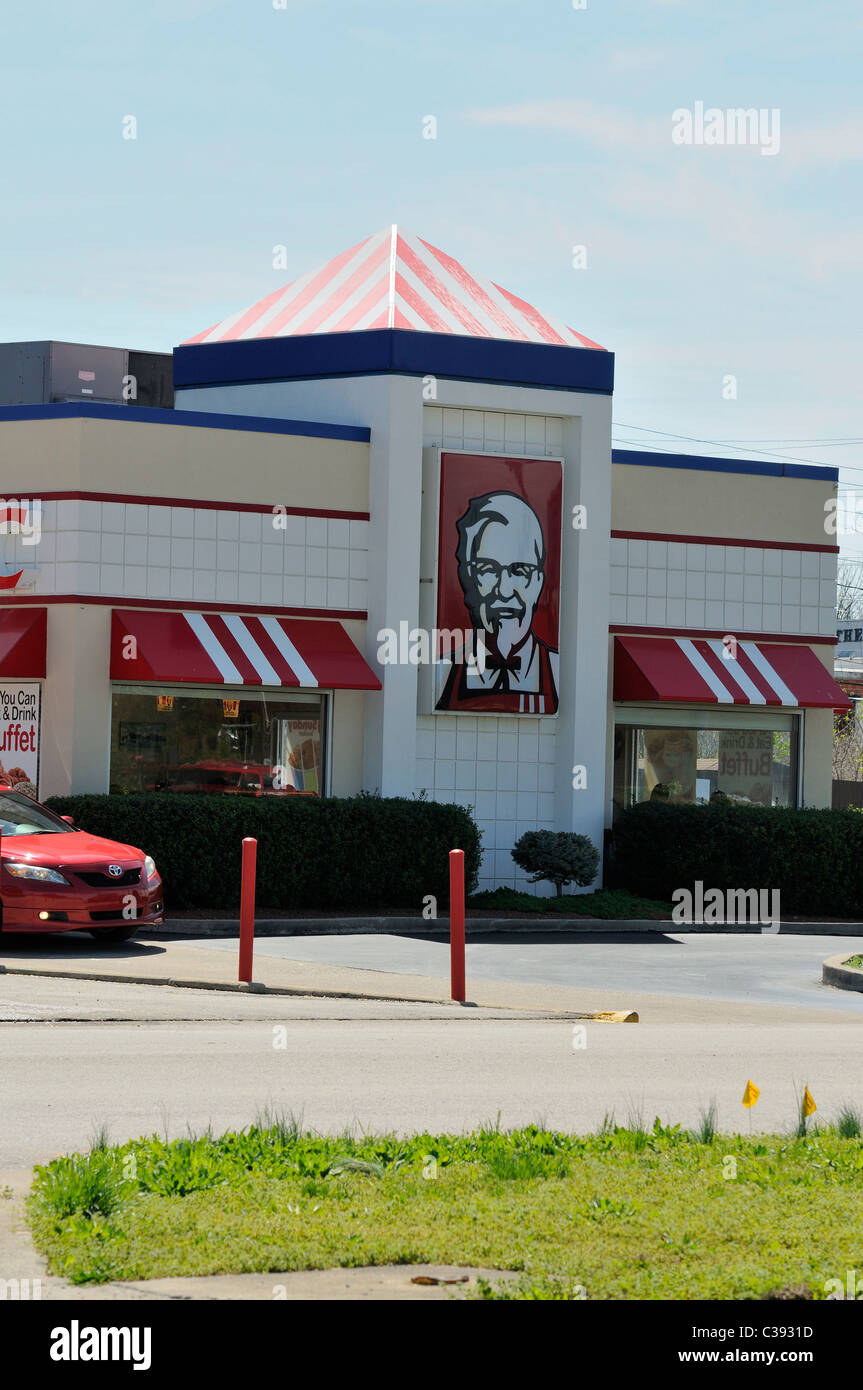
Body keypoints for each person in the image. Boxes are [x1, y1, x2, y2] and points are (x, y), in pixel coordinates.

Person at [435, 490, 559, 713]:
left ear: (539, 581)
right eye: (488, 569)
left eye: (520, 571)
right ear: (468, 577)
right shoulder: (441, 671)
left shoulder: (560, 672)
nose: (504, 590)